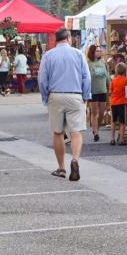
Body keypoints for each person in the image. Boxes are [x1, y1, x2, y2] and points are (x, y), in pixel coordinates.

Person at [38, 27, 91, 181]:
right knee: (76, 131)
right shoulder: (78, 54)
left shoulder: (48, 55)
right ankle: (75, 160)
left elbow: (42, 79)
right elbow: (86, 77)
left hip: (56, 95)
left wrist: (45, 96)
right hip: (75, 95)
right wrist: (86, 96)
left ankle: (61, 167)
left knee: (58, 132)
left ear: (56, 39)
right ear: (68, 37)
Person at [86, 45, 110, 142]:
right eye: (97, 51)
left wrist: (110, 86)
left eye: (100, 51)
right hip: (93, 91)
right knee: (94, 112)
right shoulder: (88, 64)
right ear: (92, 52)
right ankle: (96, 133)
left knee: (101, 113)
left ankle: (97, 128)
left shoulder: (103, 63)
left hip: (103, 90)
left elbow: (107, 76)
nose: (99, 52)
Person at [109, 62, 127, 145]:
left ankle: (112, 139)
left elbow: (110, 92)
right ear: (125, 71)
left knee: (113, 121)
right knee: (122, 121)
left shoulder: (113, 81)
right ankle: (121, 139)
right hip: (122, 103)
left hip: (113, 103)